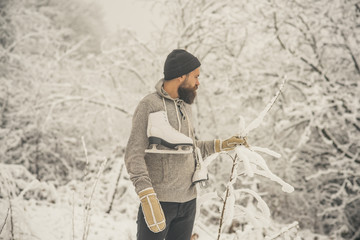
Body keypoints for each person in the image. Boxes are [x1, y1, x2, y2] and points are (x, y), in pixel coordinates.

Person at [124, 49, 246, 240]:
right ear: (181, 75)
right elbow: (133, 154)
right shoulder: (149, 105)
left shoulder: (186, 106)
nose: (198, 82)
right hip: (158, 202)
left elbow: (190, 147)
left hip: (188, 203)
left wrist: (222, 144)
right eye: (196, 76)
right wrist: (147, 195)